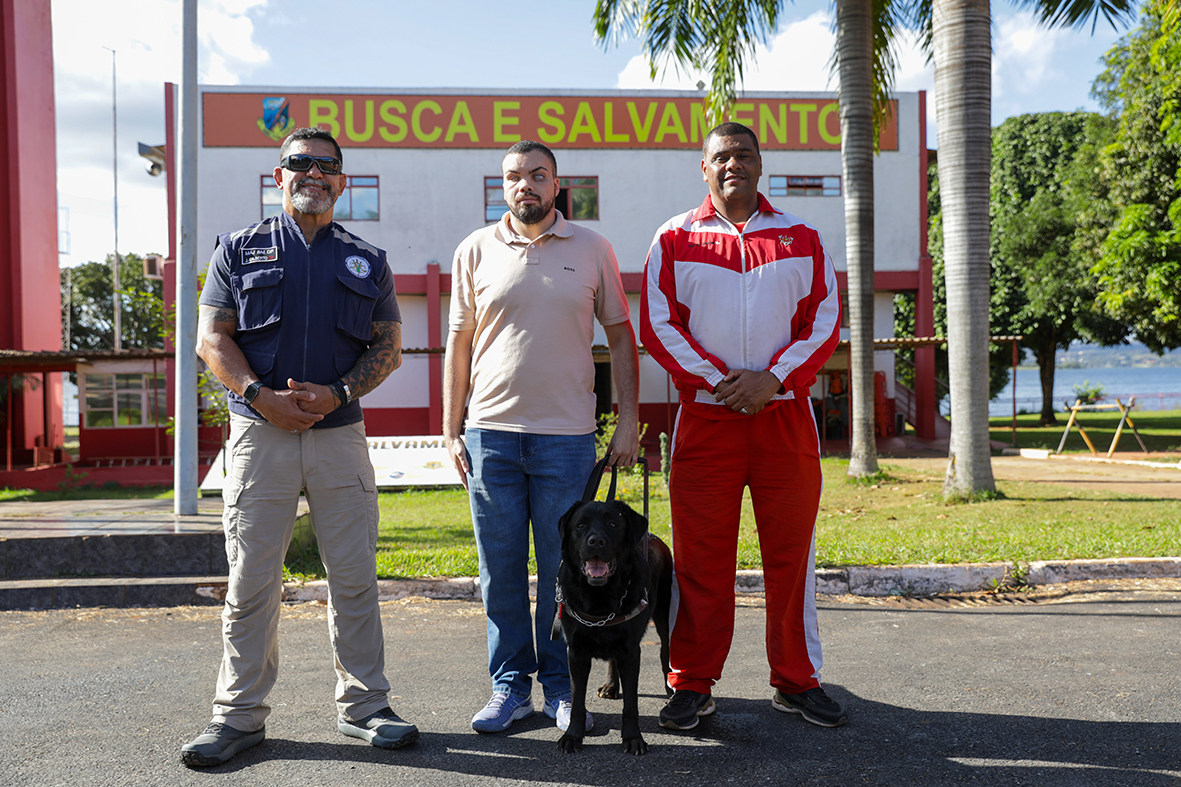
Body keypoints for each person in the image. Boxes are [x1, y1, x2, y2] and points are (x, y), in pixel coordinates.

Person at [182, 127, 417, 767]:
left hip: (340, 437)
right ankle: (237, 717)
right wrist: (262, 396)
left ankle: (367, 706)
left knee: (354, 578)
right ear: (278, 174)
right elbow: (212, 339)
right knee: (251, 579)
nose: (313, 173)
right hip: (261, 435)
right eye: (300, 163)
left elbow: (387, 348)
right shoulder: (238, 250)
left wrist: (338, 393)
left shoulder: (368, 259)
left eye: (326, 166)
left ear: (341, 180)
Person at [640, 122, 845, 731]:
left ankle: (796, 679)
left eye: (744, 155)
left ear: (762, 165)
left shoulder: (802, 237)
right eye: (721, 156)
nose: (733, 164)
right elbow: (658, 325)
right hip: (707, 421)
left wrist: (774, 380)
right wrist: (724, 384)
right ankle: (693, 683)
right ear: (704, 169)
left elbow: (825, 321)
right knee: (701, 559)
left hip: (784, 419)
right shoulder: (675, 238)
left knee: (792, 556)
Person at [444, 140, 640, 734]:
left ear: (557, 185)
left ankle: (561, 688)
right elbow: (458, 343)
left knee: (568, 569)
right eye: (512, 177)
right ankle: (509, 688)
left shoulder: (592, 248)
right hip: (490, 436)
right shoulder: (474, 250)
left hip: (567, 439)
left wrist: (627, 418)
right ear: (501, 186)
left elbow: (621, 336)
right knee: (499, 569)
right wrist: (451, 428)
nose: (524, 185)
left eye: (537, 175)